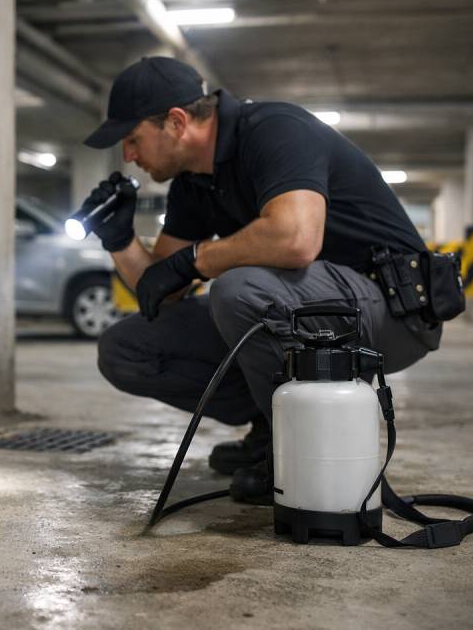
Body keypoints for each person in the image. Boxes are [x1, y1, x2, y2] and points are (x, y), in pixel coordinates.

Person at [79, 56, 441, 503]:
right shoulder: (193, 183)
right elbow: (162, 291)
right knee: (126, 348)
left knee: (239, 289)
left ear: (176, 122)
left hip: (393, 312)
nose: (129, 156)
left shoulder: (274, 130)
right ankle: (270, 424)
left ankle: (298, 448)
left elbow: (295, 240)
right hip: (314, 311)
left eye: (133, 140)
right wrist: (119, 240)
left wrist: (197, 258)